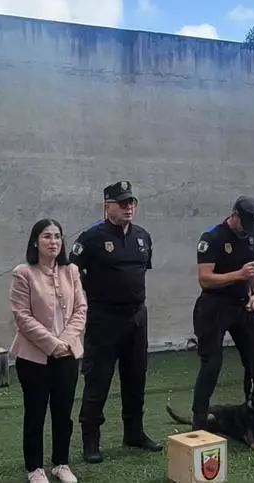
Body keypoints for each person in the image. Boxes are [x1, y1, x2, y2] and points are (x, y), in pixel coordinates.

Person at [70, 180, 162, 464]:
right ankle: (91, 440)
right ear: (107, 205)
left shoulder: (143, 236)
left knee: (136, 377)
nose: (129, 207)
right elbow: (73, 277)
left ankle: (134, 432)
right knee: (98, 380)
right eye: (122, 203)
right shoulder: (90, 239)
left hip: (136, 317)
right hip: (104, 318)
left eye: (132, 202)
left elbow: (140, 272)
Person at [9, 218, 88, 483]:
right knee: (36, 411)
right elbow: (22, 316)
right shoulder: (23, 272)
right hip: (33, 357)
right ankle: (35, 468)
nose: (53, 241)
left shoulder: (72, 271)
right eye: (46, 236)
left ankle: (61, 463)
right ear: (35, 241)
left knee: (63, 411)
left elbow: (81, 309)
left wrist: (64, 341)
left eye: (57, 236)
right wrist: (51, 344)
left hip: (67, 354)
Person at [189, 195, 254, 429]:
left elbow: (253, 270)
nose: (248, 231)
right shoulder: (212, 237)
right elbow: (205, 279)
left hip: (242, 304)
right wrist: (237, 275)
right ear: (234, 216)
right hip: (214, 306)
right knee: (212, 363)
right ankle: (199, 420)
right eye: (245, 224)